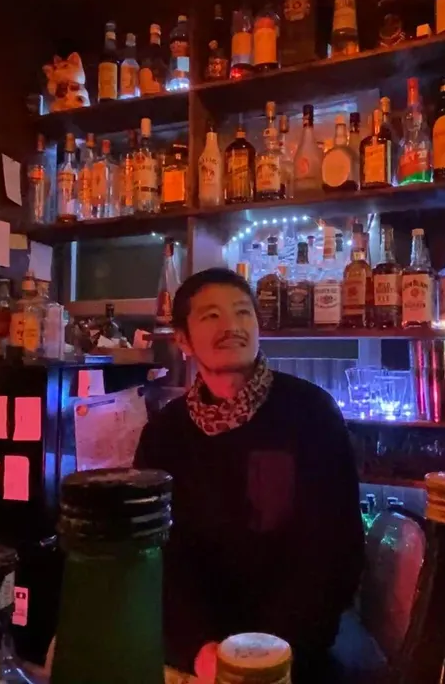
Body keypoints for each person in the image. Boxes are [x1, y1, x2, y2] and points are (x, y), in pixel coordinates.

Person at [133, 267, 364, 680]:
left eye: (243, 312)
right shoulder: (165, 433)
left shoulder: (311, 413)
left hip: (292, 654)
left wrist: (264, 655)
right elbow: (154, 555)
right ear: (183, 340)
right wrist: (199, 649)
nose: (232, 327)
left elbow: (334, 553)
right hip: (196, 656)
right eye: (212, 316)